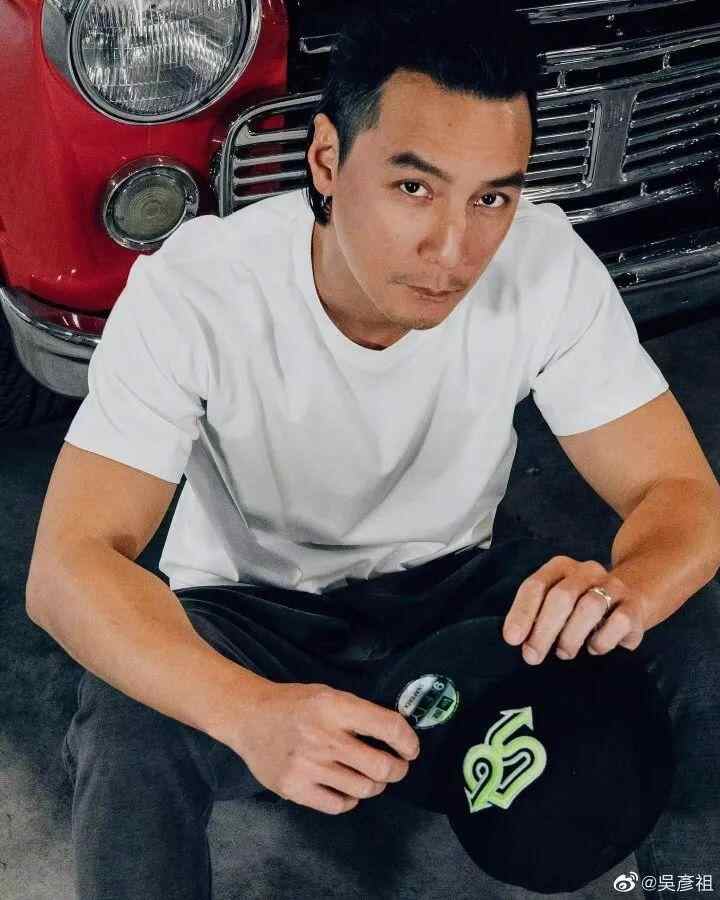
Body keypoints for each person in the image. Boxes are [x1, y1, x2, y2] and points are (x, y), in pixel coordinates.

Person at [26, 2, 720, 898]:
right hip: (253, 615)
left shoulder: (542, 264)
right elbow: (66, 570)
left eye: (492, 198)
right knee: (131, 726)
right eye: (414, 188)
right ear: (326, 160)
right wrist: (247, 712)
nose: (454, 249)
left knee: (687, 640)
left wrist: (629, 594)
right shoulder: (197, 292)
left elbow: (676, 490)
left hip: (459, 599)